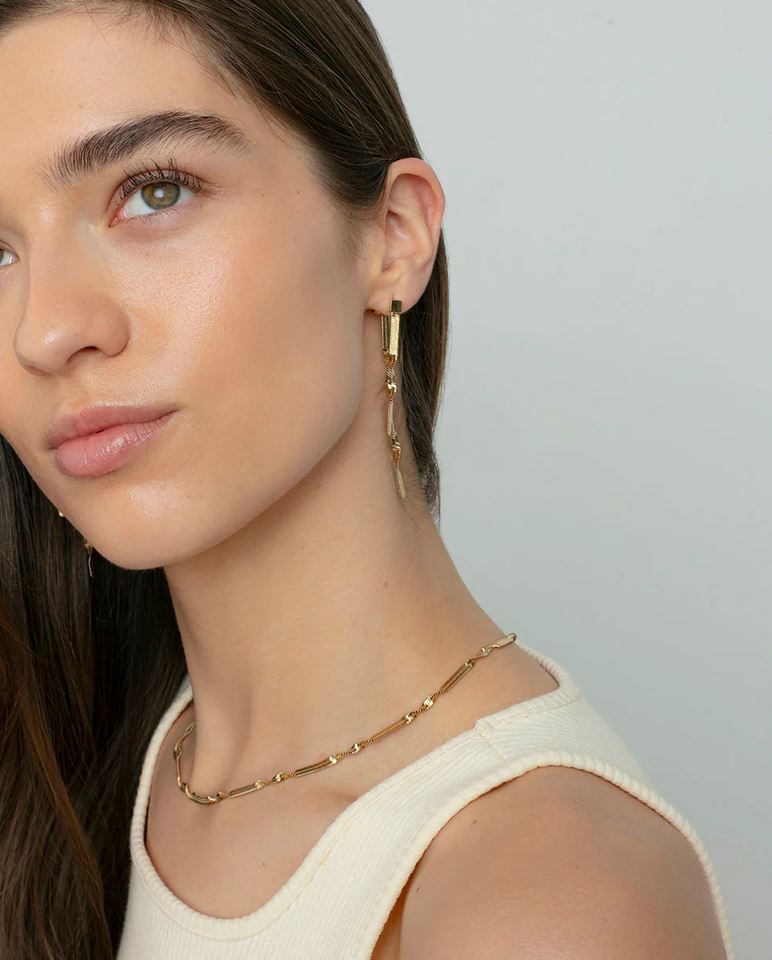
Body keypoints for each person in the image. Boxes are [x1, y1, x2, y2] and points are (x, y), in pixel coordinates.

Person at [0, 2, 735, 959]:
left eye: (155, 192)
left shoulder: (544, 903)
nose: (46, 330)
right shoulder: (90, 758)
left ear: (393, 237)